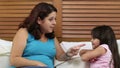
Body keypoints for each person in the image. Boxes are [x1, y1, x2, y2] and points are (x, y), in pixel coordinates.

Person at [10, 2, 84, 68]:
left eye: (55, 19)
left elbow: (60, 57)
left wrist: (68, 54)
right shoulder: (24, 32)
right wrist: (37, 64)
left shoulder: (51, 36)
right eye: (50, 19)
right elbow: (14, 59)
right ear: (39, 20)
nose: (54, 22)